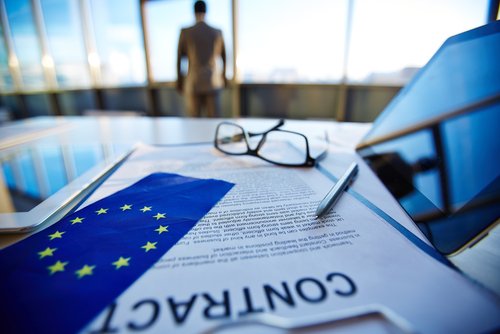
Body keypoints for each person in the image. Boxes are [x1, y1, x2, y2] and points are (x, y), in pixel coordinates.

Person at [176, 0, 227, 117]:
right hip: (213, 82)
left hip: (193, 82)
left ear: (193, 12)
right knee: (214, 123)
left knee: (194, 123)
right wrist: (223, 77)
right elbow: (224, 57)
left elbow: (179, 58)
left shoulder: (186, 32)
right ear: (206, 11)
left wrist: (179, 81)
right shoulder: (217, 32)